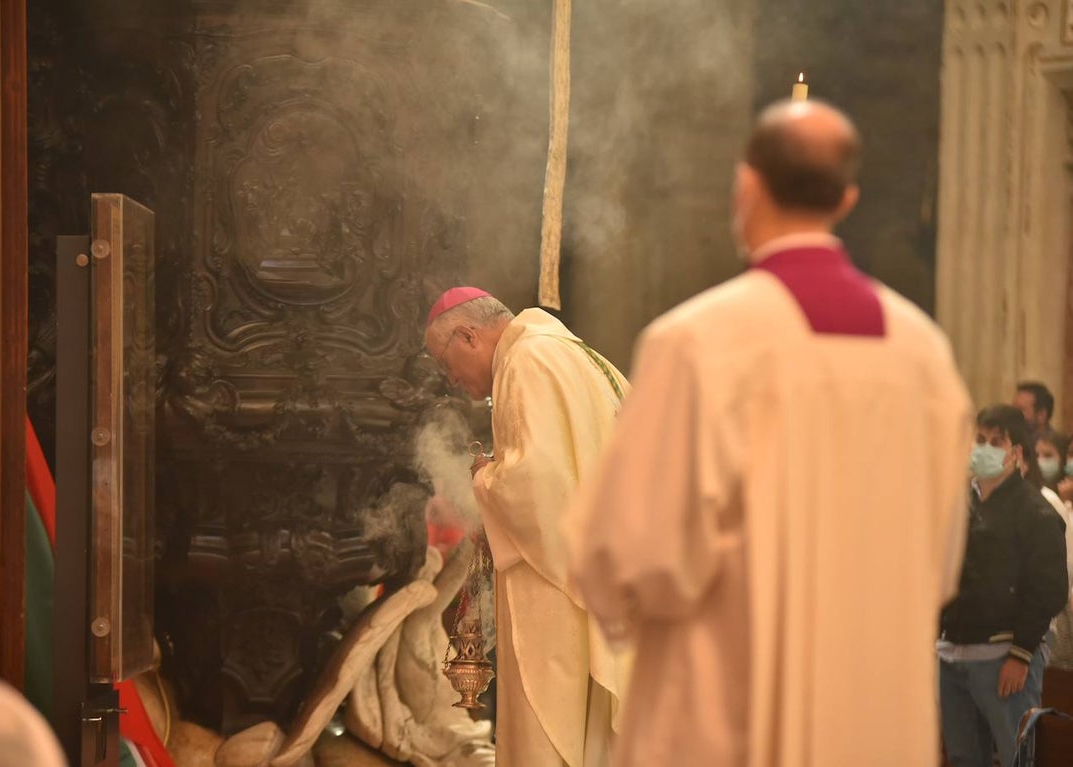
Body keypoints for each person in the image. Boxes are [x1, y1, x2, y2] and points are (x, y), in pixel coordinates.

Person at [566, 100, 973, 766]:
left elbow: (624, 549)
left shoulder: (697, 342)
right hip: (873, 706)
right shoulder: (924, 353)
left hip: (725, 702)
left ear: (745, 184)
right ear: (846, 199)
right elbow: (941, 556)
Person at [424, 287, 630, 767]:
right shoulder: (583, 358)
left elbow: (538, 485)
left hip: (555, 591)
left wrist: (483, 477)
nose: (450, 379)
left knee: (550, 735)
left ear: (468, 335)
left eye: (445, 361)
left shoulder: (526, 363)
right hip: (601, 577)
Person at [938, 405, 1068, 766]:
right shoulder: (959, 506)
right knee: (964, 756)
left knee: (1016, 757)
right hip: (953, 653)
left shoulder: (1036, 512)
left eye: (996, 442)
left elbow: (1048, 590)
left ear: (1014, 454)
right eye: (979, 440)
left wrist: (1021, 653)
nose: (985, 448)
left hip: (1003, 658)